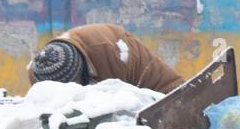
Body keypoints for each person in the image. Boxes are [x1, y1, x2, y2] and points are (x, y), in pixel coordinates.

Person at [27, 23, 185, 94]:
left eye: (72, 86)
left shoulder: (108, 53)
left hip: (125, 57)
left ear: (82, 72)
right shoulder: (39, 72)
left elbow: (116, 107)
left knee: (177, 105)